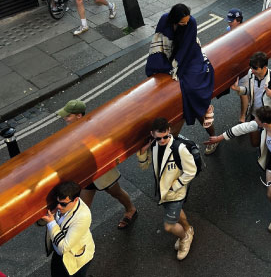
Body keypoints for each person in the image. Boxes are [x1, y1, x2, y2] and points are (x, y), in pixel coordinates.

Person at [204, 106, 271, 233]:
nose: (255, 121)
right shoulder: (262, 125)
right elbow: (242, 128)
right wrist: (220, 138)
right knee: (270, 194)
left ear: (264, 123)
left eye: (256, 119)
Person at [145, 5, 217, 150]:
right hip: (170, 53)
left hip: (190, 55)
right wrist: (166, 66)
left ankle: (206, 111)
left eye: (186, 21)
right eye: (182, 22)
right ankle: (202, 111)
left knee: (192, 84)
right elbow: (159, 42)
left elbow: (187, 48)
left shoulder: (192, 22)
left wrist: (175, 67)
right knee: (161, 68)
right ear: (174, 19)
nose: (185, 24)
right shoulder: (164, 20)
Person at [57, 100, 138, 229]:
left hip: (101, 170)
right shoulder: (69, 131)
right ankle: (80, 238)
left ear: (79, 116)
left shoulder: (92, 128)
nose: (65, 119)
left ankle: (131, 209)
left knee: (115, 192)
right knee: (83, 208)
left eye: (68, 116)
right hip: (85, 175)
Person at [137, 117, 197, 260]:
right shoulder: (154, 145)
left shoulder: (179, 149)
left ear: (169, 130)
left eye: (165, 137)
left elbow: (191, 171)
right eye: (159, 138)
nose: (162, 140)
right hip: (163, 192)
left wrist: (174, 186)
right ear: (152, 134)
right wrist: (142, 152)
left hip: (175, 193)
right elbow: (145, 166)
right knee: (178, 212)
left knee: (169, 226)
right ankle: (188, 229)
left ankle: (184, 238)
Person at [231, 51, 271, 141]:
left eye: (255, 68)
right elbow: (250, 91)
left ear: (264, 67)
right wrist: (239, 89)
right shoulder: (251, 74)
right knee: (255, 142)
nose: (252, 70)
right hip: (255, 114)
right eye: (251, 67)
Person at [42, 181, 95, 277]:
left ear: (76, 200)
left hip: (75, 259)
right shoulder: (61, 204)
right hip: (59, 253)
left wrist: (51, 223)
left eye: (63, 204)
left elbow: (63, 248)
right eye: (57, 202)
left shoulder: (83, 216)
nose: (58, 206)